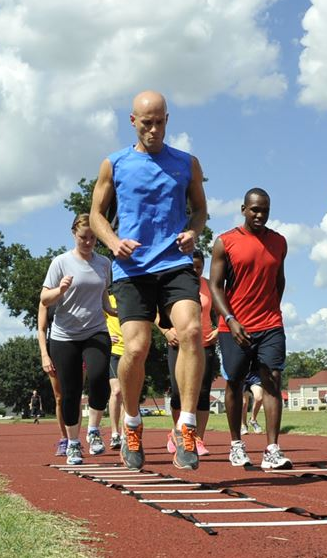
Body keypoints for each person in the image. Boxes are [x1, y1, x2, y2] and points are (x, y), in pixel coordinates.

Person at [90, 90, 207, 471]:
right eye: (146, 123)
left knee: (191, 331)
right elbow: (96, 215)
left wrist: (193, 231)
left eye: (159, 122)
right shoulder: (115, 164)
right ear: (132, 121)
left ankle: (187, 428)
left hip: (174, 262)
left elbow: (201, 210)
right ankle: (133, 423)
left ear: (167, 120)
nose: (153, 129)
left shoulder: (186, 163)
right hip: (133, 268)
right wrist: (112, 242)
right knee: (136, 350)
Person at [209, 188, 291, 470]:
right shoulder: (225, 242)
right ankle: (235, 444)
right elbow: (215, 286)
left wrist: (271, 311)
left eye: (265, 210)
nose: (259, 215)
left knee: (273, 378)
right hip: (234, 326)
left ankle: (272, 450)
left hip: (270, 324)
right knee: (235, 383)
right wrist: (230, 319)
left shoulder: (279, 242)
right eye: (255, 209)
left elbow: (279, 280)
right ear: (243, 209)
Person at [41, 214, 115, 465]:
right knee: (70, 392)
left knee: (98, 378)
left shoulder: (104, 263)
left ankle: (94, 431)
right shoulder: (60, 263)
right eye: (84, 237)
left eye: (93, 238)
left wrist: (114, 311)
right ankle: (73, 443)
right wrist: (60, 290)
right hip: (65, 336)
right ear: (74, 233)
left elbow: (103, 296)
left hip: (96, 330)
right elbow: (44, 300)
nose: (88, 242)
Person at [161, 250, 219, 457]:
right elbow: (156, 312)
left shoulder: (209, 285)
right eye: (191, 266)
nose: (195, 270)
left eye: (198, 267)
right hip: (179, 344)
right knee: (178, 391)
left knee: (202, 393)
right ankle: (177, 432)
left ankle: (197, 438)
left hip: (204, 344)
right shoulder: (173, 282)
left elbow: (223, 308)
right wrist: (166, 331)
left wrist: (219, 329)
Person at [36, 303, 70, 455]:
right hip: (54, 350)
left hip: (78, 348)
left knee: (73, 396)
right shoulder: (47, 299)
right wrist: (44, 355)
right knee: (59, 397)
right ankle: (64, 439)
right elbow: (41, 329)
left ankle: (75, 440)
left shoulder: (79, 292)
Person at [105, 293, 124, 450]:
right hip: (114, 352)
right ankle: (114, 433)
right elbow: (95, 320)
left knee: (128, 394)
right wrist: (107, 335)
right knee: (117, 391)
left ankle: (126, 433)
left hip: (131, 352)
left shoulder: (133, 297)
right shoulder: (107, 300)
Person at [241, 366, 264, 434]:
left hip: (255, 375)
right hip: (242, 375)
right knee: (244, 403)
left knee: (259, 398)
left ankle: (253, 420)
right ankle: (243, 425)